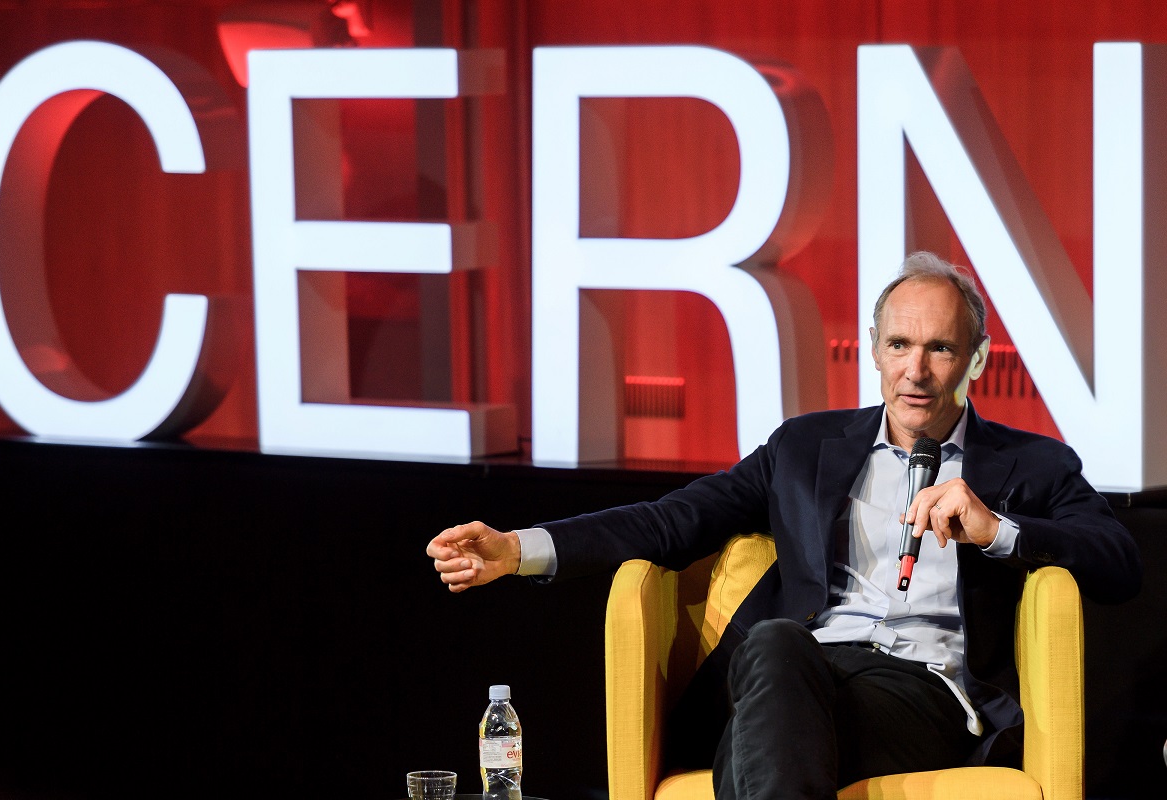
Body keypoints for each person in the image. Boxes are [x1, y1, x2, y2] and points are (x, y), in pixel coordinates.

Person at [426, 252, 1142, 799]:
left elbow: (1119, 560)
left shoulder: (1031, 464)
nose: (915, 371)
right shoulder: (803, 448)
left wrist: (998, 530)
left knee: (763, 711)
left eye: (940, 349)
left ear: (975, 359)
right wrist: (519, 549)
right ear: (872, 348)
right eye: (899, 346)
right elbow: (674, 521)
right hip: (799, 668)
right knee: (776, 651)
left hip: (924, 694)